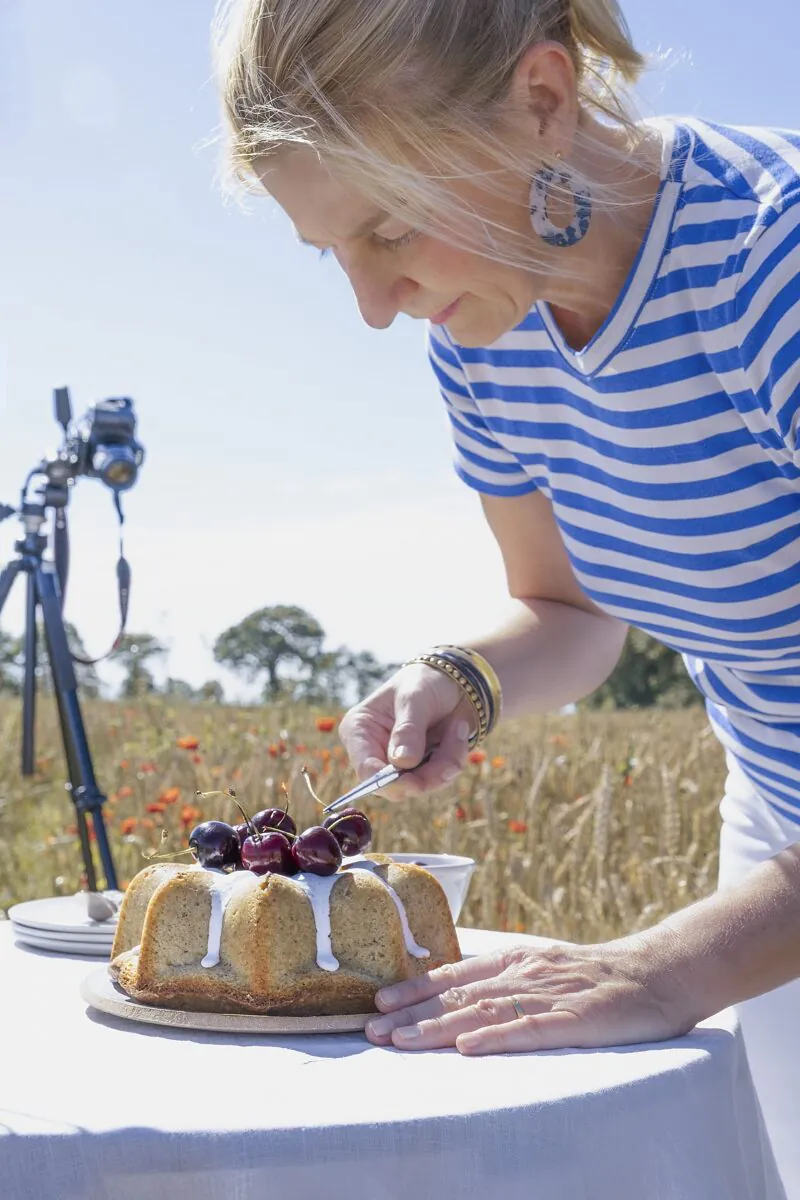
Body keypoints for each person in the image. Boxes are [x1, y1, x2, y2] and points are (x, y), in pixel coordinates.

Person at [211, 0, 800, 1189]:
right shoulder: (485, 333)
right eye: (335, 253)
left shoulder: (765, 265)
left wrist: (662, 968)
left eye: (388, 229)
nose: (373, 307)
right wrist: (461, 681)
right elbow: (571, 613)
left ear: (539, 98)